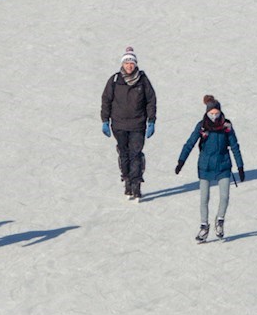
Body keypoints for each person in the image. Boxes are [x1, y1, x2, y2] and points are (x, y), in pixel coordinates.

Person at [175, 95, 245, 242]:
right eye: (211, 113)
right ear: (207, 113)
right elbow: (190, 143)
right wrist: (181, 161)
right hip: (205, 166)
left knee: (225, 196)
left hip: (223, 165)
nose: (214, 116)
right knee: (204, 198)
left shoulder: (227, 126)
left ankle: (220, 221)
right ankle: (204, 226)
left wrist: (240, 166)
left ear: (220, 112)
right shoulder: (202, 126)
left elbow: (234, 146)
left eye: (216, 113)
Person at [100, 48, 158, 201]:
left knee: (136, 154)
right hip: (118, 124)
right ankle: (127, 180)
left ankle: (136, 185)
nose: (129, 66)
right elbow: (106, 100)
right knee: (124, 154)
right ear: (122, 64)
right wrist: (105, 120)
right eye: (126, 62)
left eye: (131, 63)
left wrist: (151, 120)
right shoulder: (114, 80)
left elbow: (151, 101)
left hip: (137, 124)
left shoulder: (143, 80)